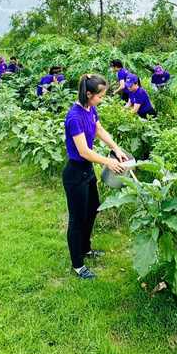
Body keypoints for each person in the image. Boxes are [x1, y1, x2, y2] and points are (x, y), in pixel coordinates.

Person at [63, 74, 128, 280]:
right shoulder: (74, 116)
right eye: (100, 96)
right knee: (77, 219)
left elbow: (99, 129)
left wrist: (115, 148)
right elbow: (84, 151)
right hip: (75, 173)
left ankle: (86, 248)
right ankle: (77, 265)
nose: (102, 99)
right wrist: (108, 161)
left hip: (88, 171)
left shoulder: (90, 109)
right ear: (88, 94)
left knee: (92, 209)